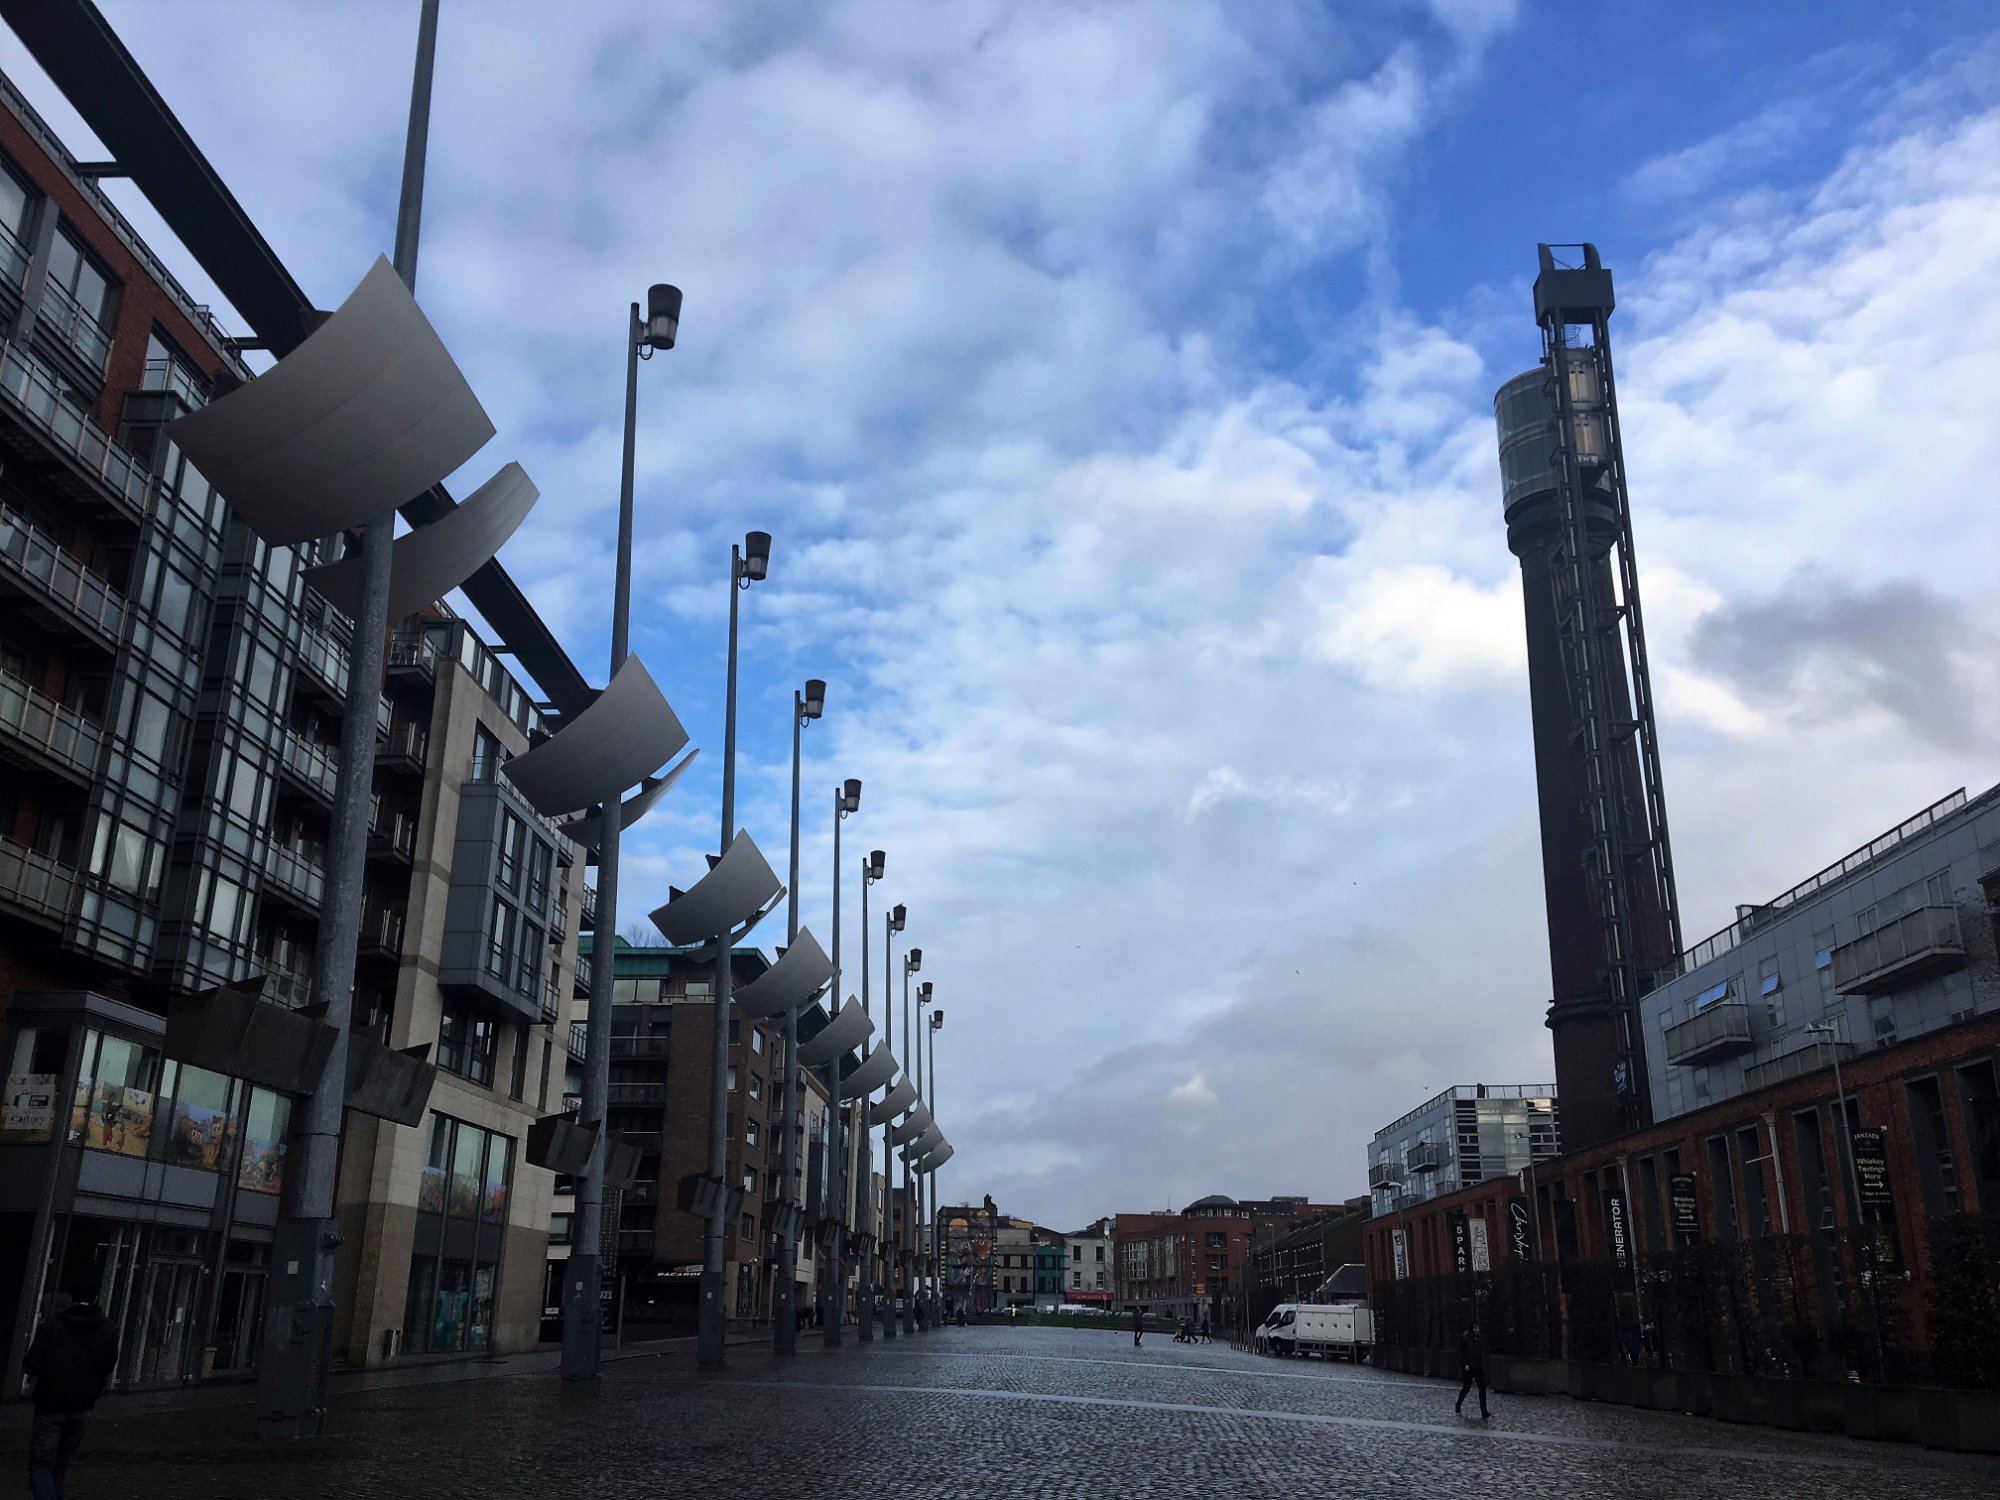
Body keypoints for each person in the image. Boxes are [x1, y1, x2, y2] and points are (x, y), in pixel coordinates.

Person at [24, 1284, 119, 1500]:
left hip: (50, 1403)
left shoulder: (53, 1326)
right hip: (82, 1403)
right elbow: (108, 1364)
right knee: (61, 1463)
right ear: (96, 1298)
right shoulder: (108, 1329)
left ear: (70, 1298)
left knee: (40, 1466)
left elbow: (32, 1364)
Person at [1454, 1321, 1490, 1419]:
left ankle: (1484, 1411)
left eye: (1478, 1328)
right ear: (1472, 1329)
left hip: (1477, 1367)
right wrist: (1465, 1364)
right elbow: (1460, 1352)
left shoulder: (1477, 1339)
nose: (1478, 1330)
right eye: (1476, 1328)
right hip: (1469, 1367)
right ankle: (1458, 1405)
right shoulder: (1465, 1338)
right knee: (1466, 1387)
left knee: (1482, 1388)